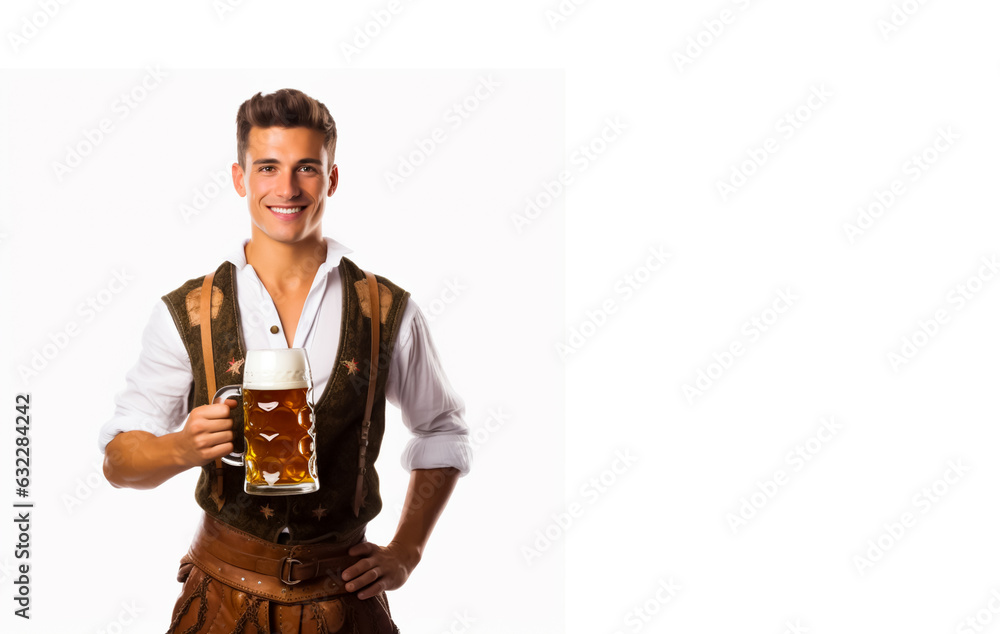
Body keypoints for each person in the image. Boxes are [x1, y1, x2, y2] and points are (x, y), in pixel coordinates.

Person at [98, 88, 471, 633]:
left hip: (344, 600)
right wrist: (179, 447)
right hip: (220, 598)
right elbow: (118, 461)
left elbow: (442, 429)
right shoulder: (188, 312)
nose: (287, 188)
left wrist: (406, 551)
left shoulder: (388, 308)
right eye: (268, 167)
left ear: (332, 179)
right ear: (239, 178)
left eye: (307, 169)